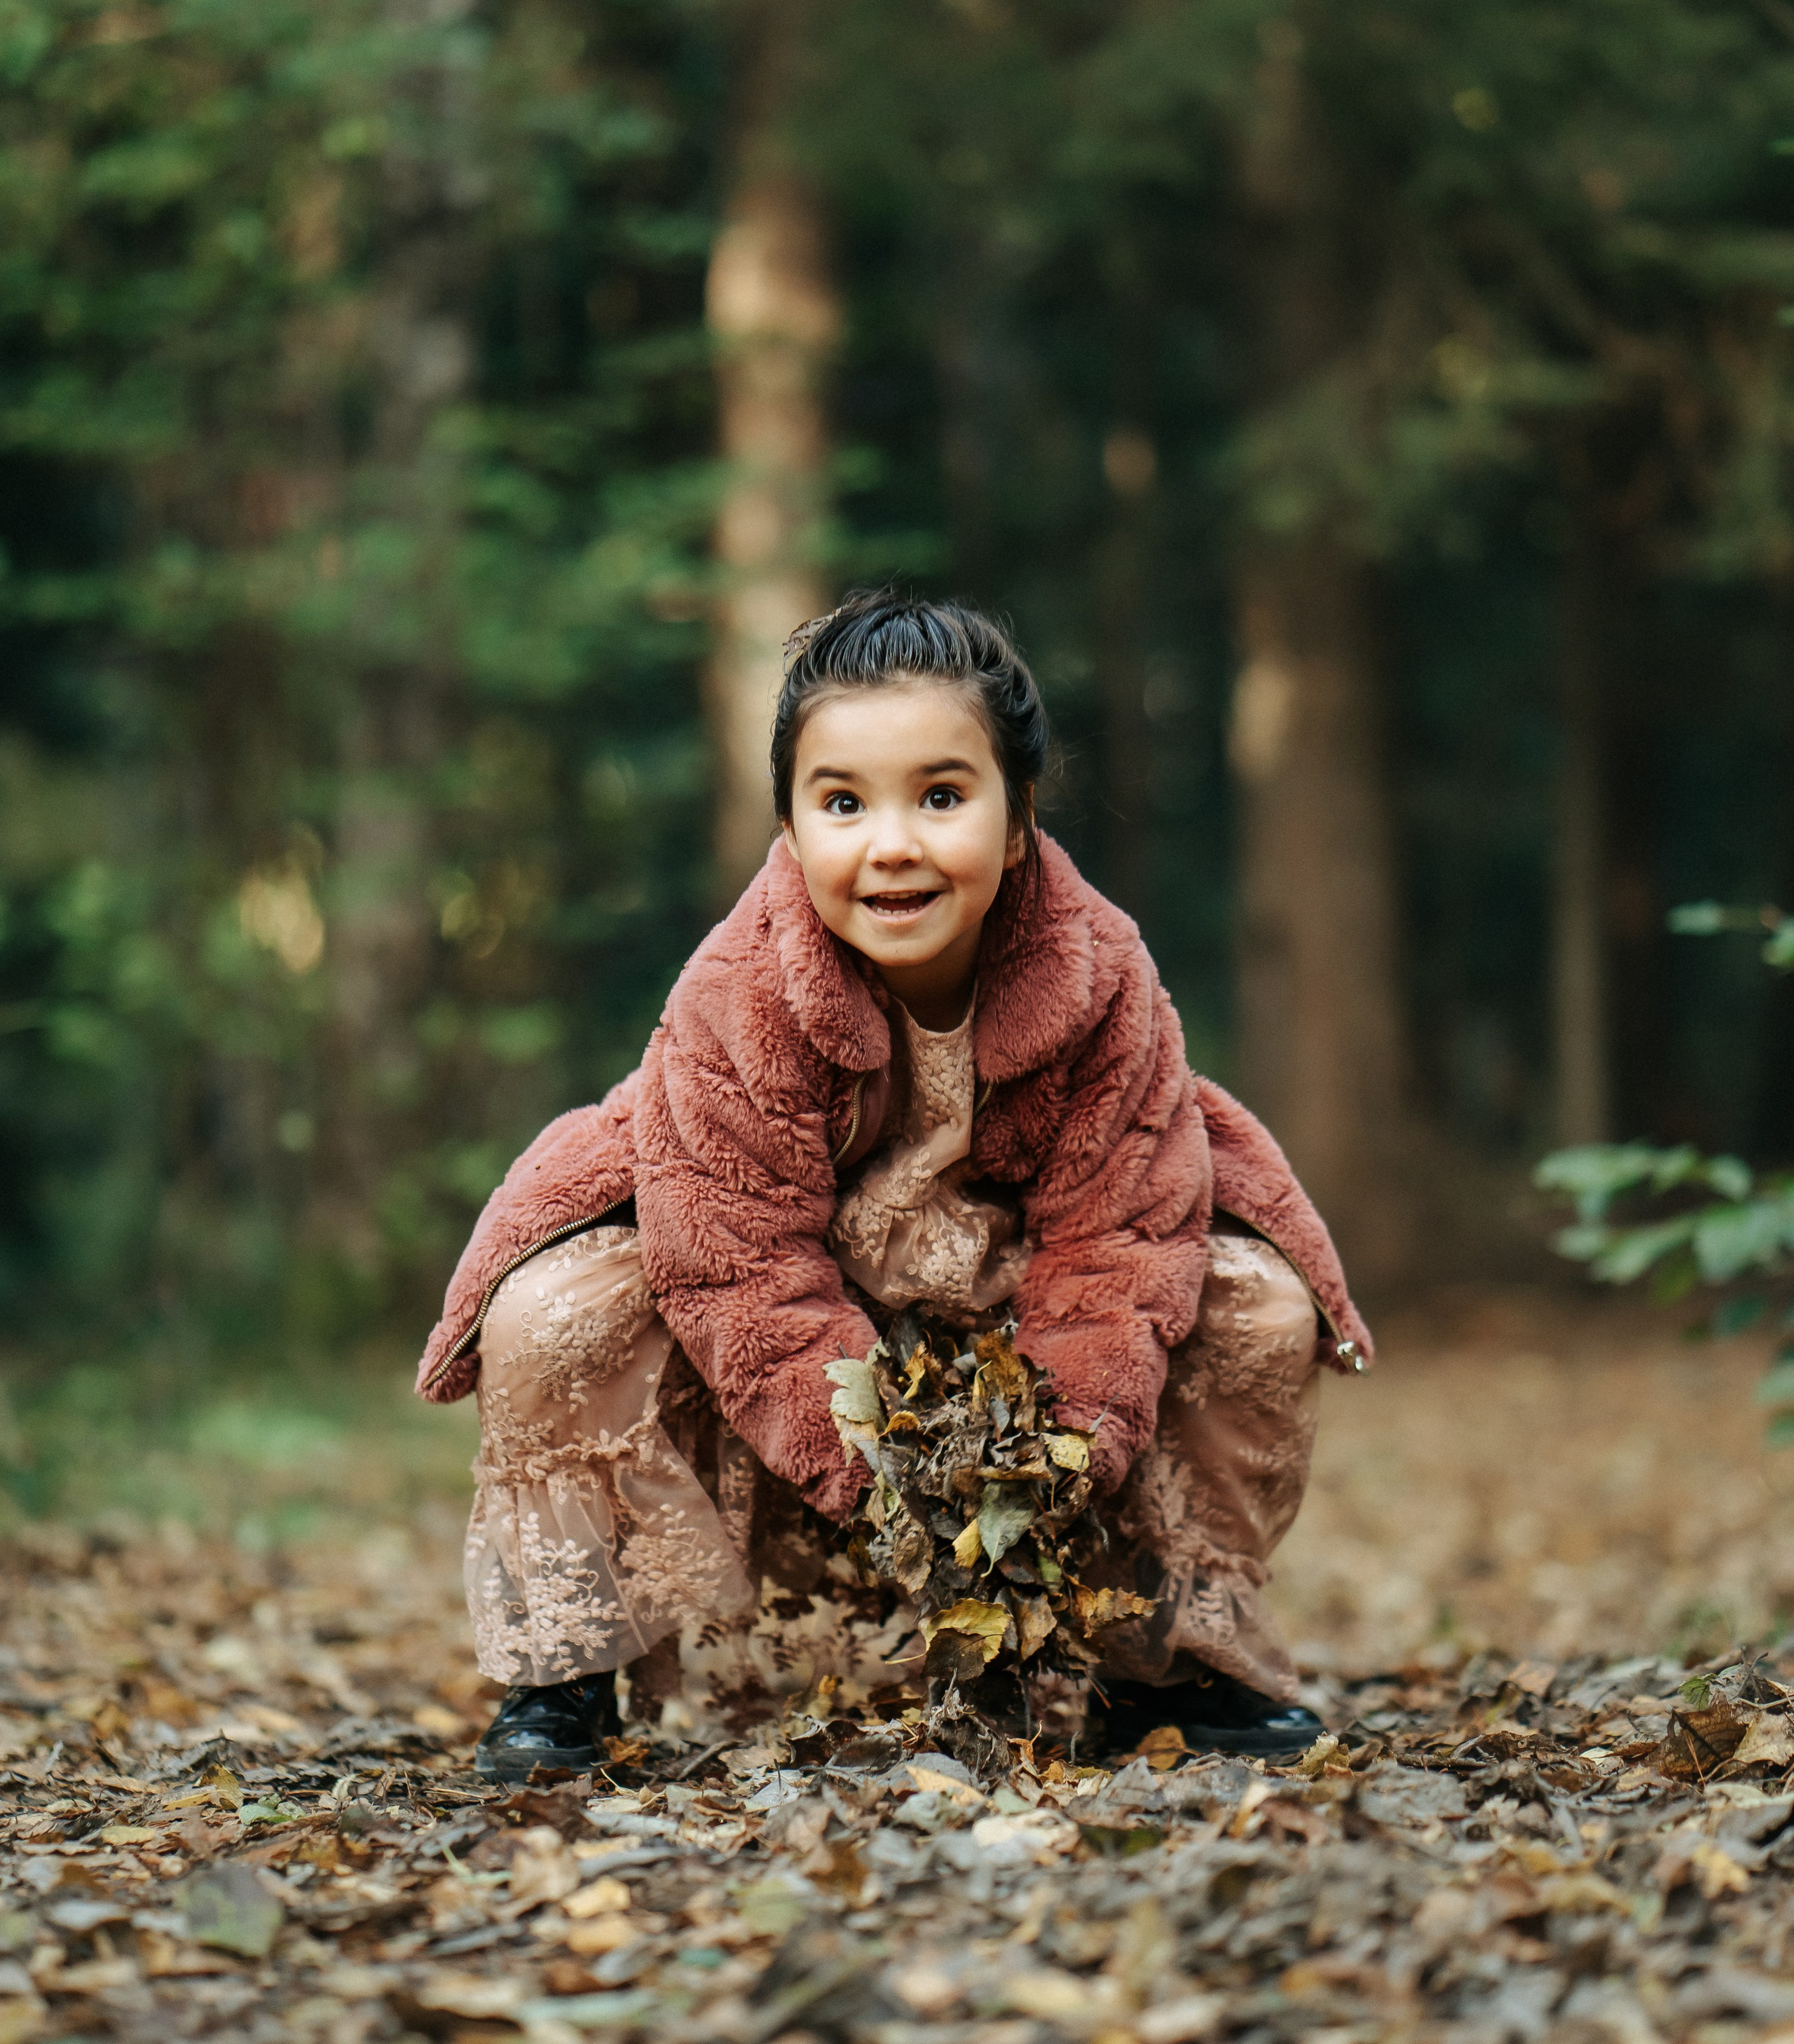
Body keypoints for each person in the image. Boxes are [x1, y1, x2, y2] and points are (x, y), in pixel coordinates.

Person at [417, 592, 1372, 1780]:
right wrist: (884, 1476)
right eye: (843, 804)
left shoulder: (1102, 977)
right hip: (806, 1335)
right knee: (554, 1311)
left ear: (1018, 822)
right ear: (788, 830)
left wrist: (1056, 1462)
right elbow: (737, 1265)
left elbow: (1122, 1247)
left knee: (1254, 1302)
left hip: (1010, 1314)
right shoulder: (738, 992)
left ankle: (1168, 1661)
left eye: (941, 796)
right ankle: (566, 1673)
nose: (893, 845)